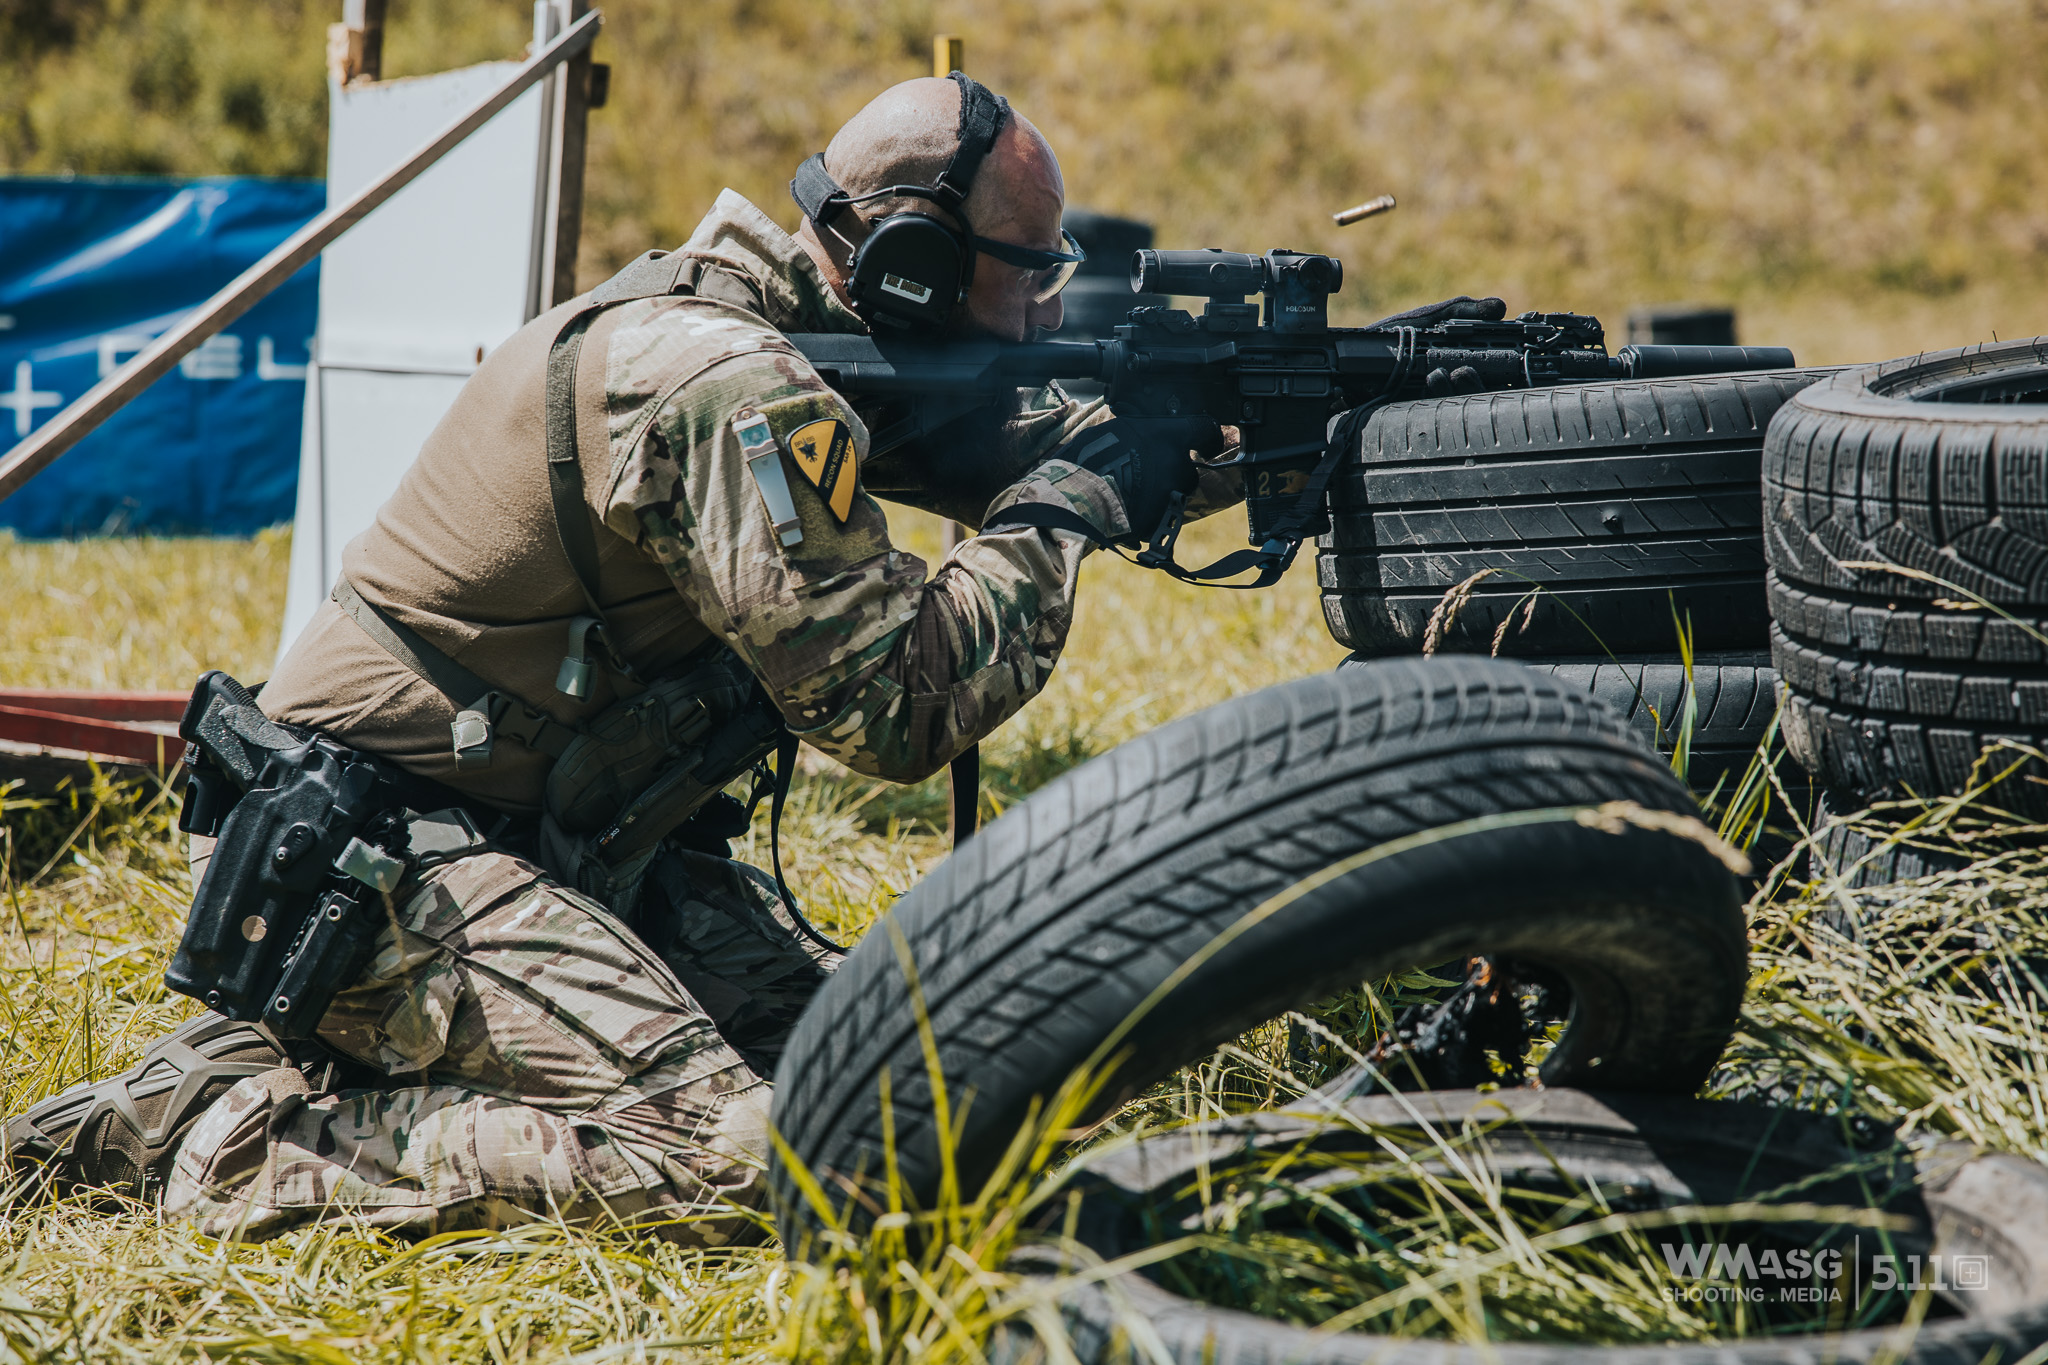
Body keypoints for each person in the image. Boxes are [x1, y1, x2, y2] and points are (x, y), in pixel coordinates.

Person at [4, 73, 1234, 1243]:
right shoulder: (726, 384)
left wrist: (1209, 433)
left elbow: (1005, 432)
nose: (1049, 308)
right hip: (370, 868)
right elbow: (889, 709)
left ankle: (329, 1064)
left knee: (907, 1093)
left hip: (546, 847)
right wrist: (1067, 513)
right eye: (1033, 270)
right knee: (764, 1162)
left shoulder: (787, 338)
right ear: (913, 264)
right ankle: (219, 1141)